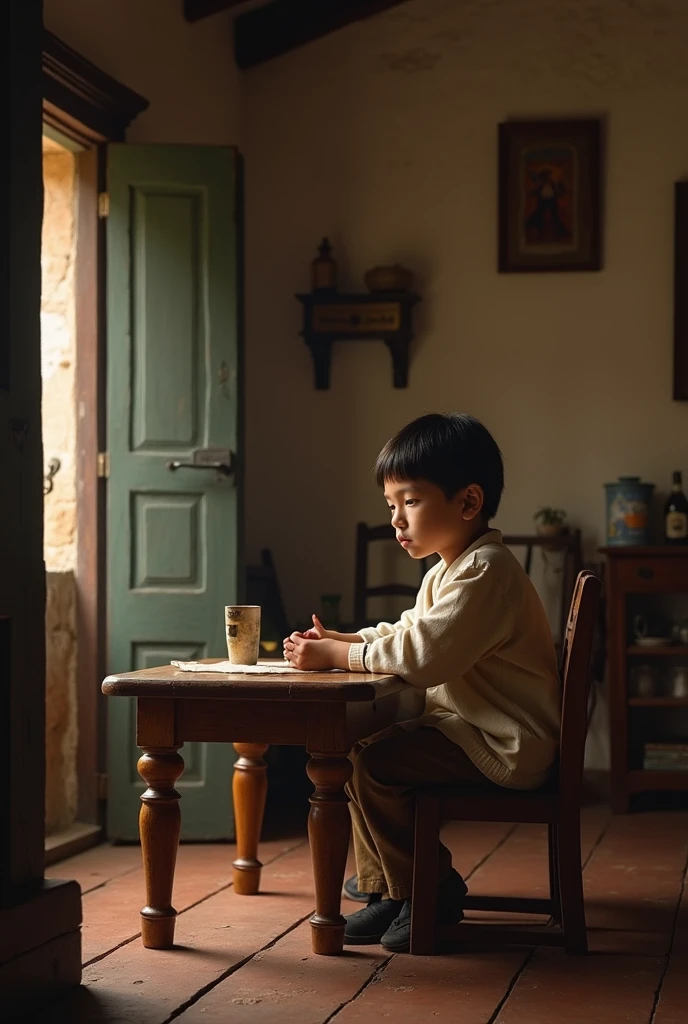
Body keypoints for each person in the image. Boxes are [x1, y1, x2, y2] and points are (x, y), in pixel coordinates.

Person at [282, 412, 560, 953]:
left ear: (468, 502)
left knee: (374, 762)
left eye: (410, 501)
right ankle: (391, 888)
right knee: (358, 750)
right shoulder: (447, 569)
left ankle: (430, 889)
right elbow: (408, 631)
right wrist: (347, 638)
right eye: (391, 506)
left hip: (506, 742)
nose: (396, 520)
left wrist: (342, 654)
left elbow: (423, 655)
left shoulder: (487, 571)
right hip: (472, 729)